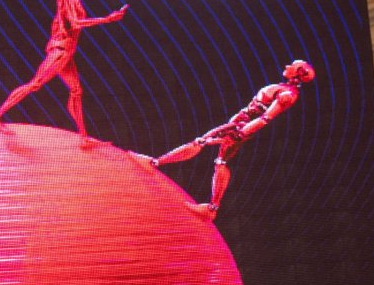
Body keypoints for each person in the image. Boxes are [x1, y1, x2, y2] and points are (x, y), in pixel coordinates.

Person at [133, 59, 315, 219]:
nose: (287, 66)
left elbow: (266, 118)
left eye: (293, 66)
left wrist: (242, 132)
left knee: (201, 142)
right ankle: (212, 208)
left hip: (240, 127)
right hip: (240, 125)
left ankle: (155, 163)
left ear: (298, 74)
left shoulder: (286, 95)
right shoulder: (285, 90)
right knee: (221, 161)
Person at [0, 0, 127, 148]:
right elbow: (75, 23)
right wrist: (107, 19)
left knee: (76, 90)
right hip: (60, 49)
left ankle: (83, 137)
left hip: (67, 51)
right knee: (35, 84)